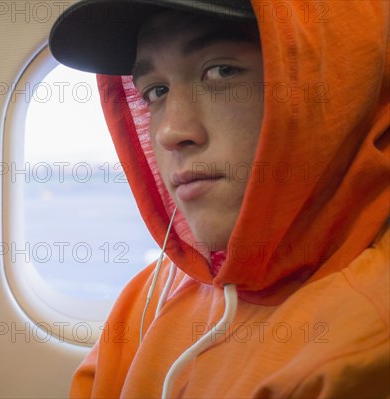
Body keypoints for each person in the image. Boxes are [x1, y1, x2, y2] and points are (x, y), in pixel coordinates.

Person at [49, 0, 389, 397]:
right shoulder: (153, 294)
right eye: (155, 91)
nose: (171, 132)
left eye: (221, 71)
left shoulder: (361, 347)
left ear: (337, 83)